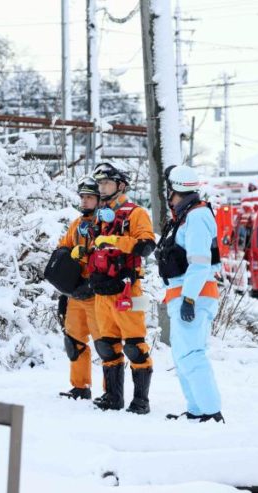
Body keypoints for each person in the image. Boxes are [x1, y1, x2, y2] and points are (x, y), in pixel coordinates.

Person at [157, 165, 224, 423]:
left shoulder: (196, 217)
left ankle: (211, 411)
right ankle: (197, 409)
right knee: (182, 355)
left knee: (192, 354)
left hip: (193, 295)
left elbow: (199, 262)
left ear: (175, 191)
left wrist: (189, 298)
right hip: (183, 293)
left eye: (169, 191)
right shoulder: (186, 217)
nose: (168, 197)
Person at [88, 162, 156, 414]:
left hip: (129, 290)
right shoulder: (100, 213)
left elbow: (147, 245)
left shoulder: (135, 213)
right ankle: (112, 397)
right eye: (100, 184)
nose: (102, 188)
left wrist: (116, 240)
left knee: (135, 346)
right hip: (102, 290)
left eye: (106, 183)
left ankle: (141, 401)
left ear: (121, 186)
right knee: (107, 345)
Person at [56, 176, 101, 400]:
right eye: (82, 197)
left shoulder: (105, 223)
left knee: (106, 344)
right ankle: (80, 386)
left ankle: (112, 392)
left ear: (99, 199)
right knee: (74, 341)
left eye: (89, 197)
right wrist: (65, 288)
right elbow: (62, 249)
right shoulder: (76, 224)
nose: (84, 202)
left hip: (98, 294)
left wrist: (93, 284)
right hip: (76, 293)